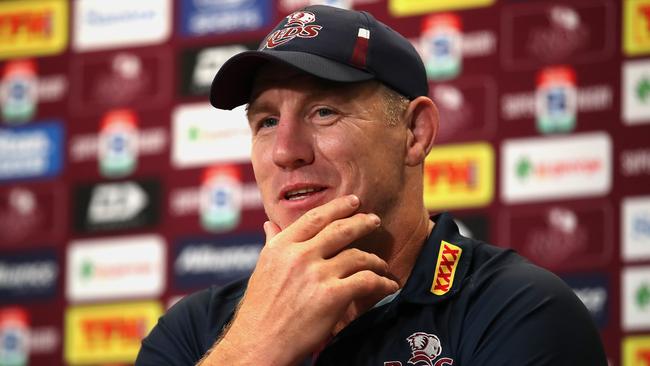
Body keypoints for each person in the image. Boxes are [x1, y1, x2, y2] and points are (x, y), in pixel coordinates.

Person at [136, 5, 607, 366]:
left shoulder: (519, 311)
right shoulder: (194, 331)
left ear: (414, 134)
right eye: (266, 121)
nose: (285, 151)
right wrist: (254, 347)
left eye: (324, 112)